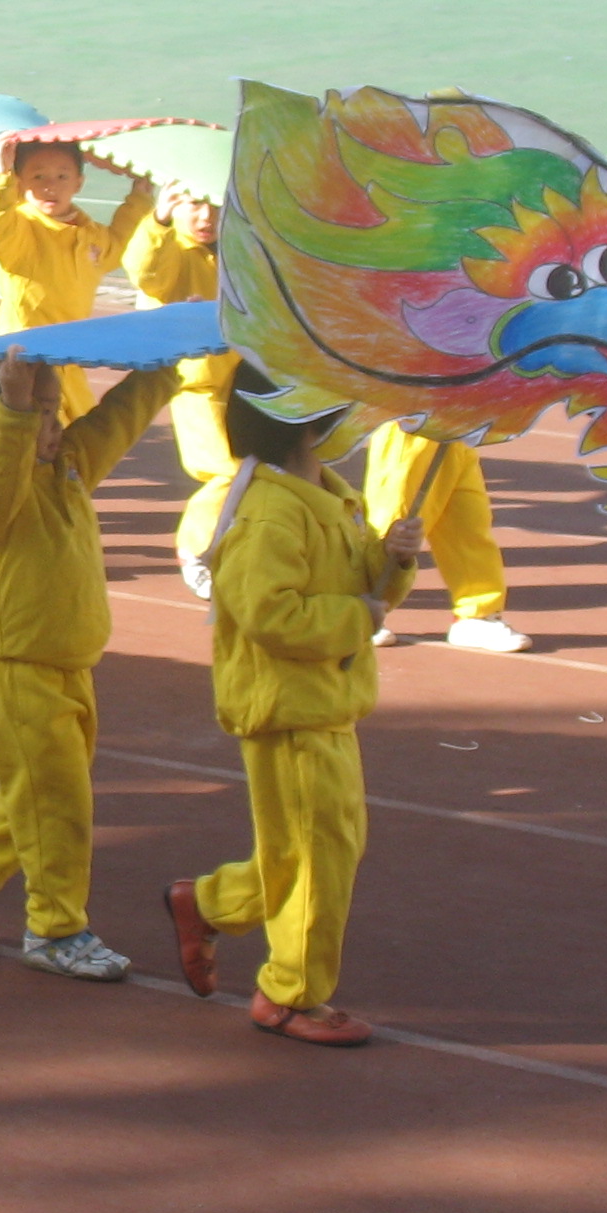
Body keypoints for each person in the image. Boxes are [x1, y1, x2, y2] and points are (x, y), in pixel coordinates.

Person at [161, 372, 421, 1048]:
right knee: (320, 854)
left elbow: (367, 581)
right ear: (306, 420)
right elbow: (269, 614)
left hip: (327, 702)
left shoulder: (329, 494)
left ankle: (209, 904)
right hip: (291, 707)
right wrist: (358, 615)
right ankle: (290, 993)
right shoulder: (269, 511)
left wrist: (393, 564)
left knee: (302, 849)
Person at [0, 344, 176, 973]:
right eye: (39, 415)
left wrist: (164, 362)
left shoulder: (70, 462)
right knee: (59, 805)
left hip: (71, 663)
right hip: (18, 668)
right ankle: (55, 929)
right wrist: (17, 412)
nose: (54, 428)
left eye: (55, 412)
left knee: (35, 794)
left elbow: (119, 417)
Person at [0, 138, 152, 418]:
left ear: (79, 183)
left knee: (80, 430)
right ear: (19, 181)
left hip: (70, 355)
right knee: (33, 432)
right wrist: (0, 174)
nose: (50, 186)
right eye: (38, 176)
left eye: (62, 176)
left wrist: (141, 192)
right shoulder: (20, 230)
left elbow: (120, 241)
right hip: (26, 355)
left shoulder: (89, 234)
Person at [120, 184, 236, 596]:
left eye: (217, 205)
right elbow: (145, 270)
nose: (206, 216)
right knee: (224, 471)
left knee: (263, 468)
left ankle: (238, 549)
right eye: (194, 204)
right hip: (193, 382)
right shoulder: (169, 247)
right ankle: (194, 549)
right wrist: (159, 221)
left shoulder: (234, 249)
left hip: (239, 379)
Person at [359, 427, 530, 652]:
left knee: (468, 521)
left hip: (459, 423)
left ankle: (476, 612)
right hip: (414, 418)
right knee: (393, 518)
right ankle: (361, 605)